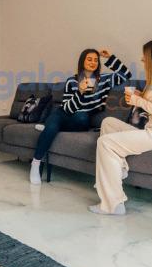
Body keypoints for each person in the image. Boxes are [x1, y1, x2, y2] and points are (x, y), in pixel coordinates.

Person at [90, 38, 152, 215]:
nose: (142, 59)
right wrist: (142, 96)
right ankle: (120, 169)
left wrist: (138, 101)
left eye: (145, 56)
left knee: (105, 143)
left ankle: (113, 204)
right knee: (108, 123)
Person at [30, 47, 132, 184]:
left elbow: (126, 74)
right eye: (89, 59)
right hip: (63, 113)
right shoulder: (72, 81)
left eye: (95, 60)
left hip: (81, 118)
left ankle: (50, 128)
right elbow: (67, 108)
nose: (93, 62)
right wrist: (80, 92)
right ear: (82, 61)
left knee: (82, 116)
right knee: (55, 123)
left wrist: (110, 58)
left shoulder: (104, 80)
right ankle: (35, 163)